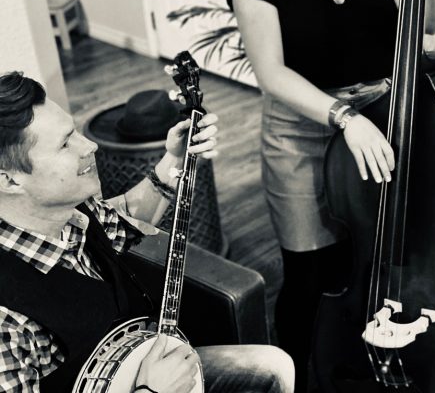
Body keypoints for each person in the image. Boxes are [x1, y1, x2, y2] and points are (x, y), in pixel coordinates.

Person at [223, 0, 435, 392]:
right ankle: (297, 378)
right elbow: (271, 73)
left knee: (369, 261)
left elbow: (425, 25)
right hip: (301, 132)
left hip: (381, 120)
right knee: (310, 274)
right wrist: (344, 118)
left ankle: (362, 368)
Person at [0, 71, 294, 392]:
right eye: (64, 144)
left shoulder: (73, 212)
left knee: (273, 368)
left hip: (147, 362)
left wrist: (175, 160)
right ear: (9, 180)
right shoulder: (6, 323)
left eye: (75, 133)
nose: (90, 146)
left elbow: (124, 221)